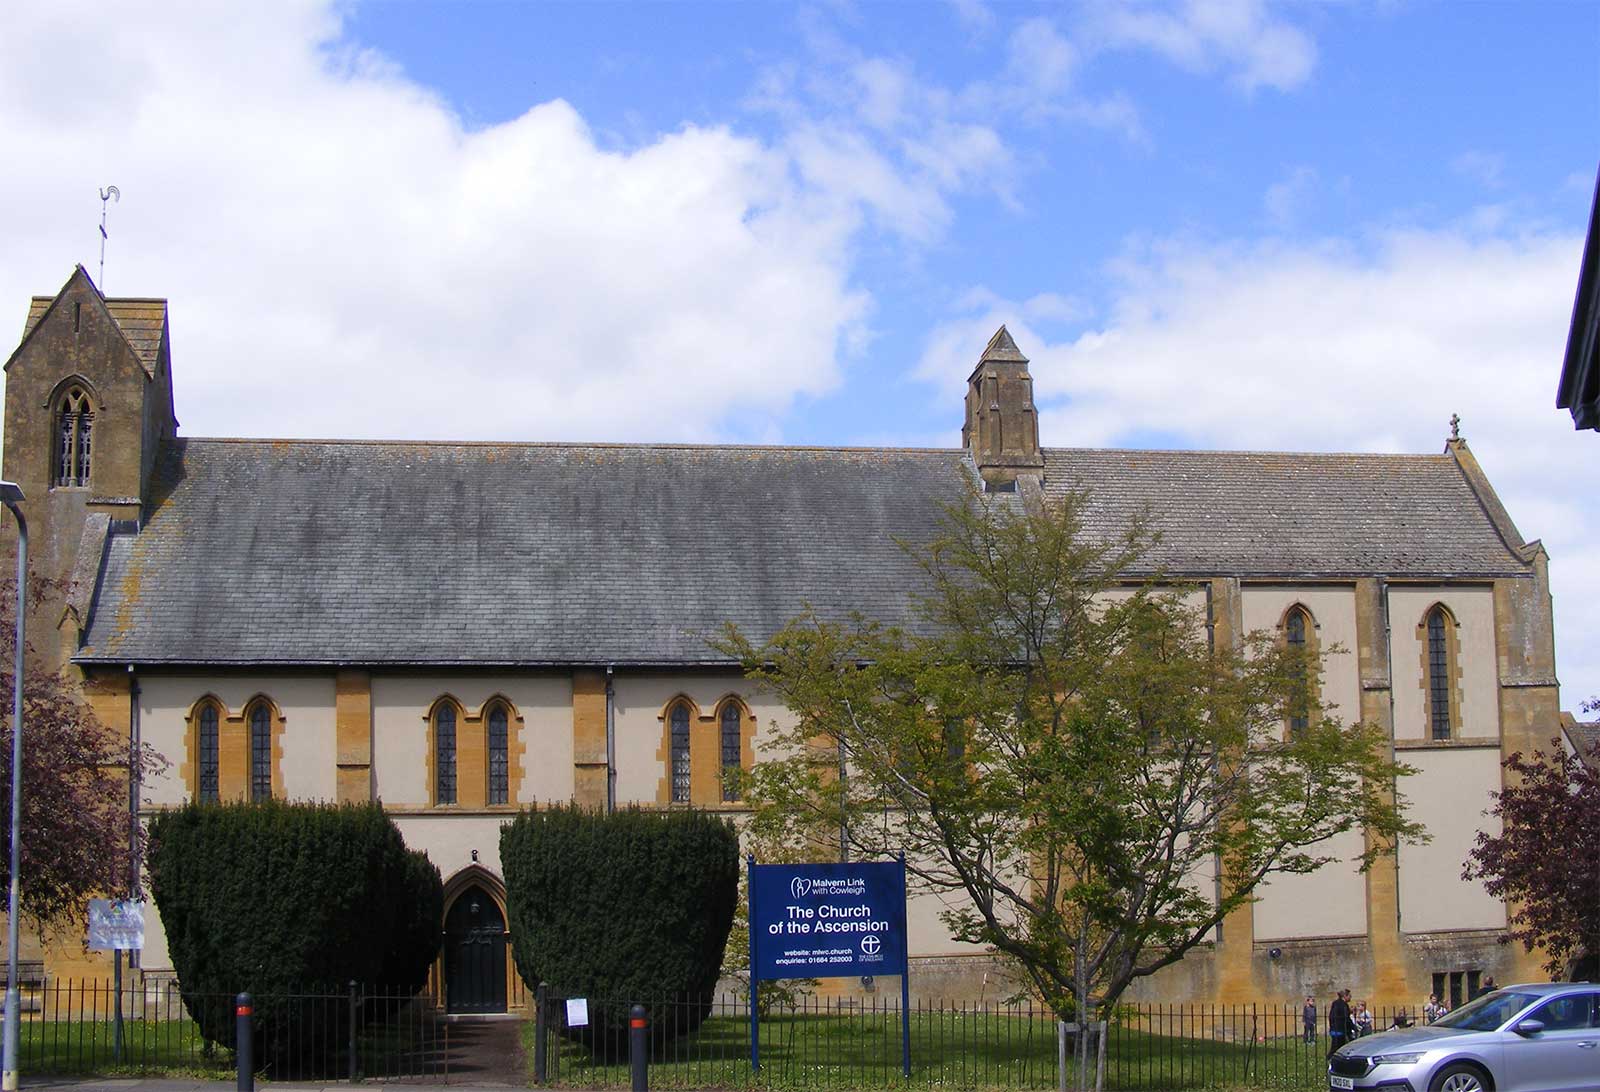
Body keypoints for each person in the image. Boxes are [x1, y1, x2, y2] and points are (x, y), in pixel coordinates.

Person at [1327, 989, 1353, 1058]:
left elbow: (1333, 1015)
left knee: (1335, 1046)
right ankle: (1331, 1058)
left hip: (1334, 1028)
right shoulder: (1344, 1005)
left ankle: (1330, 1057)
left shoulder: (1335, 1003)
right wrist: (1353, 1028)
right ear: (1345, 996)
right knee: (1340, 1047)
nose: (1351, 997)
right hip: (1341, 1029)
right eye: (1349, 996)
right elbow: (1346, 1018)